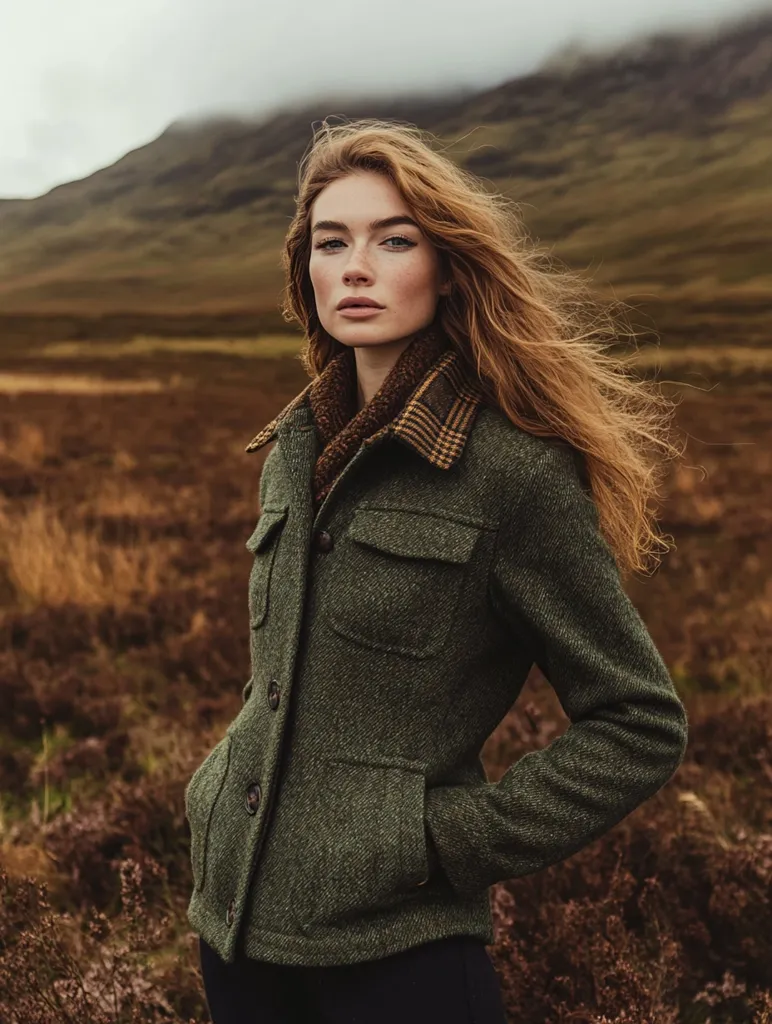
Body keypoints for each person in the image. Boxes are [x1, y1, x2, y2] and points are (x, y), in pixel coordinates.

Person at [184, 117, 689, 1023]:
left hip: (398, 953)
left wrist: (444, 839)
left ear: (448, 266)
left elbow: (639, 721)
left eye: (394, 240)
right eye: (331, 242)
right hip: (235, 927)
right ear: (304, 270)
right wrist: (214, 789)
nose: (356, 268)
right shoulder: (292, 449)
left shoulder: (512, 473)